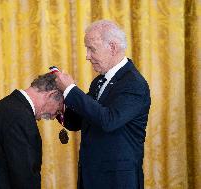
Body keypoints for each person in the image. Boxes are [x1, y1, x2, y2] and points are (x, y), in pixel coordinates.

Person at [55, 20, 151, 189]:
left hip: (117, 181)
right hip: (91, 177)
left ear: (112, 47)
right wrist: (58, 101)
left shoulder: (134, 83)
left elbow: (108, 121)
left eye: (91, 49)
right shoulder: (99, 81)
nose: (87, 56)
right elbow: (78, 121)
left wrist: (71, 89)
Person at [0, 73, 64, 189]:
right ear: (51, 95)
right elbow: (24, 178)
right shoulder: (21, 118)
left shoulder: (3, 106)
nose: (53, 117)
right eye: (58, 110)